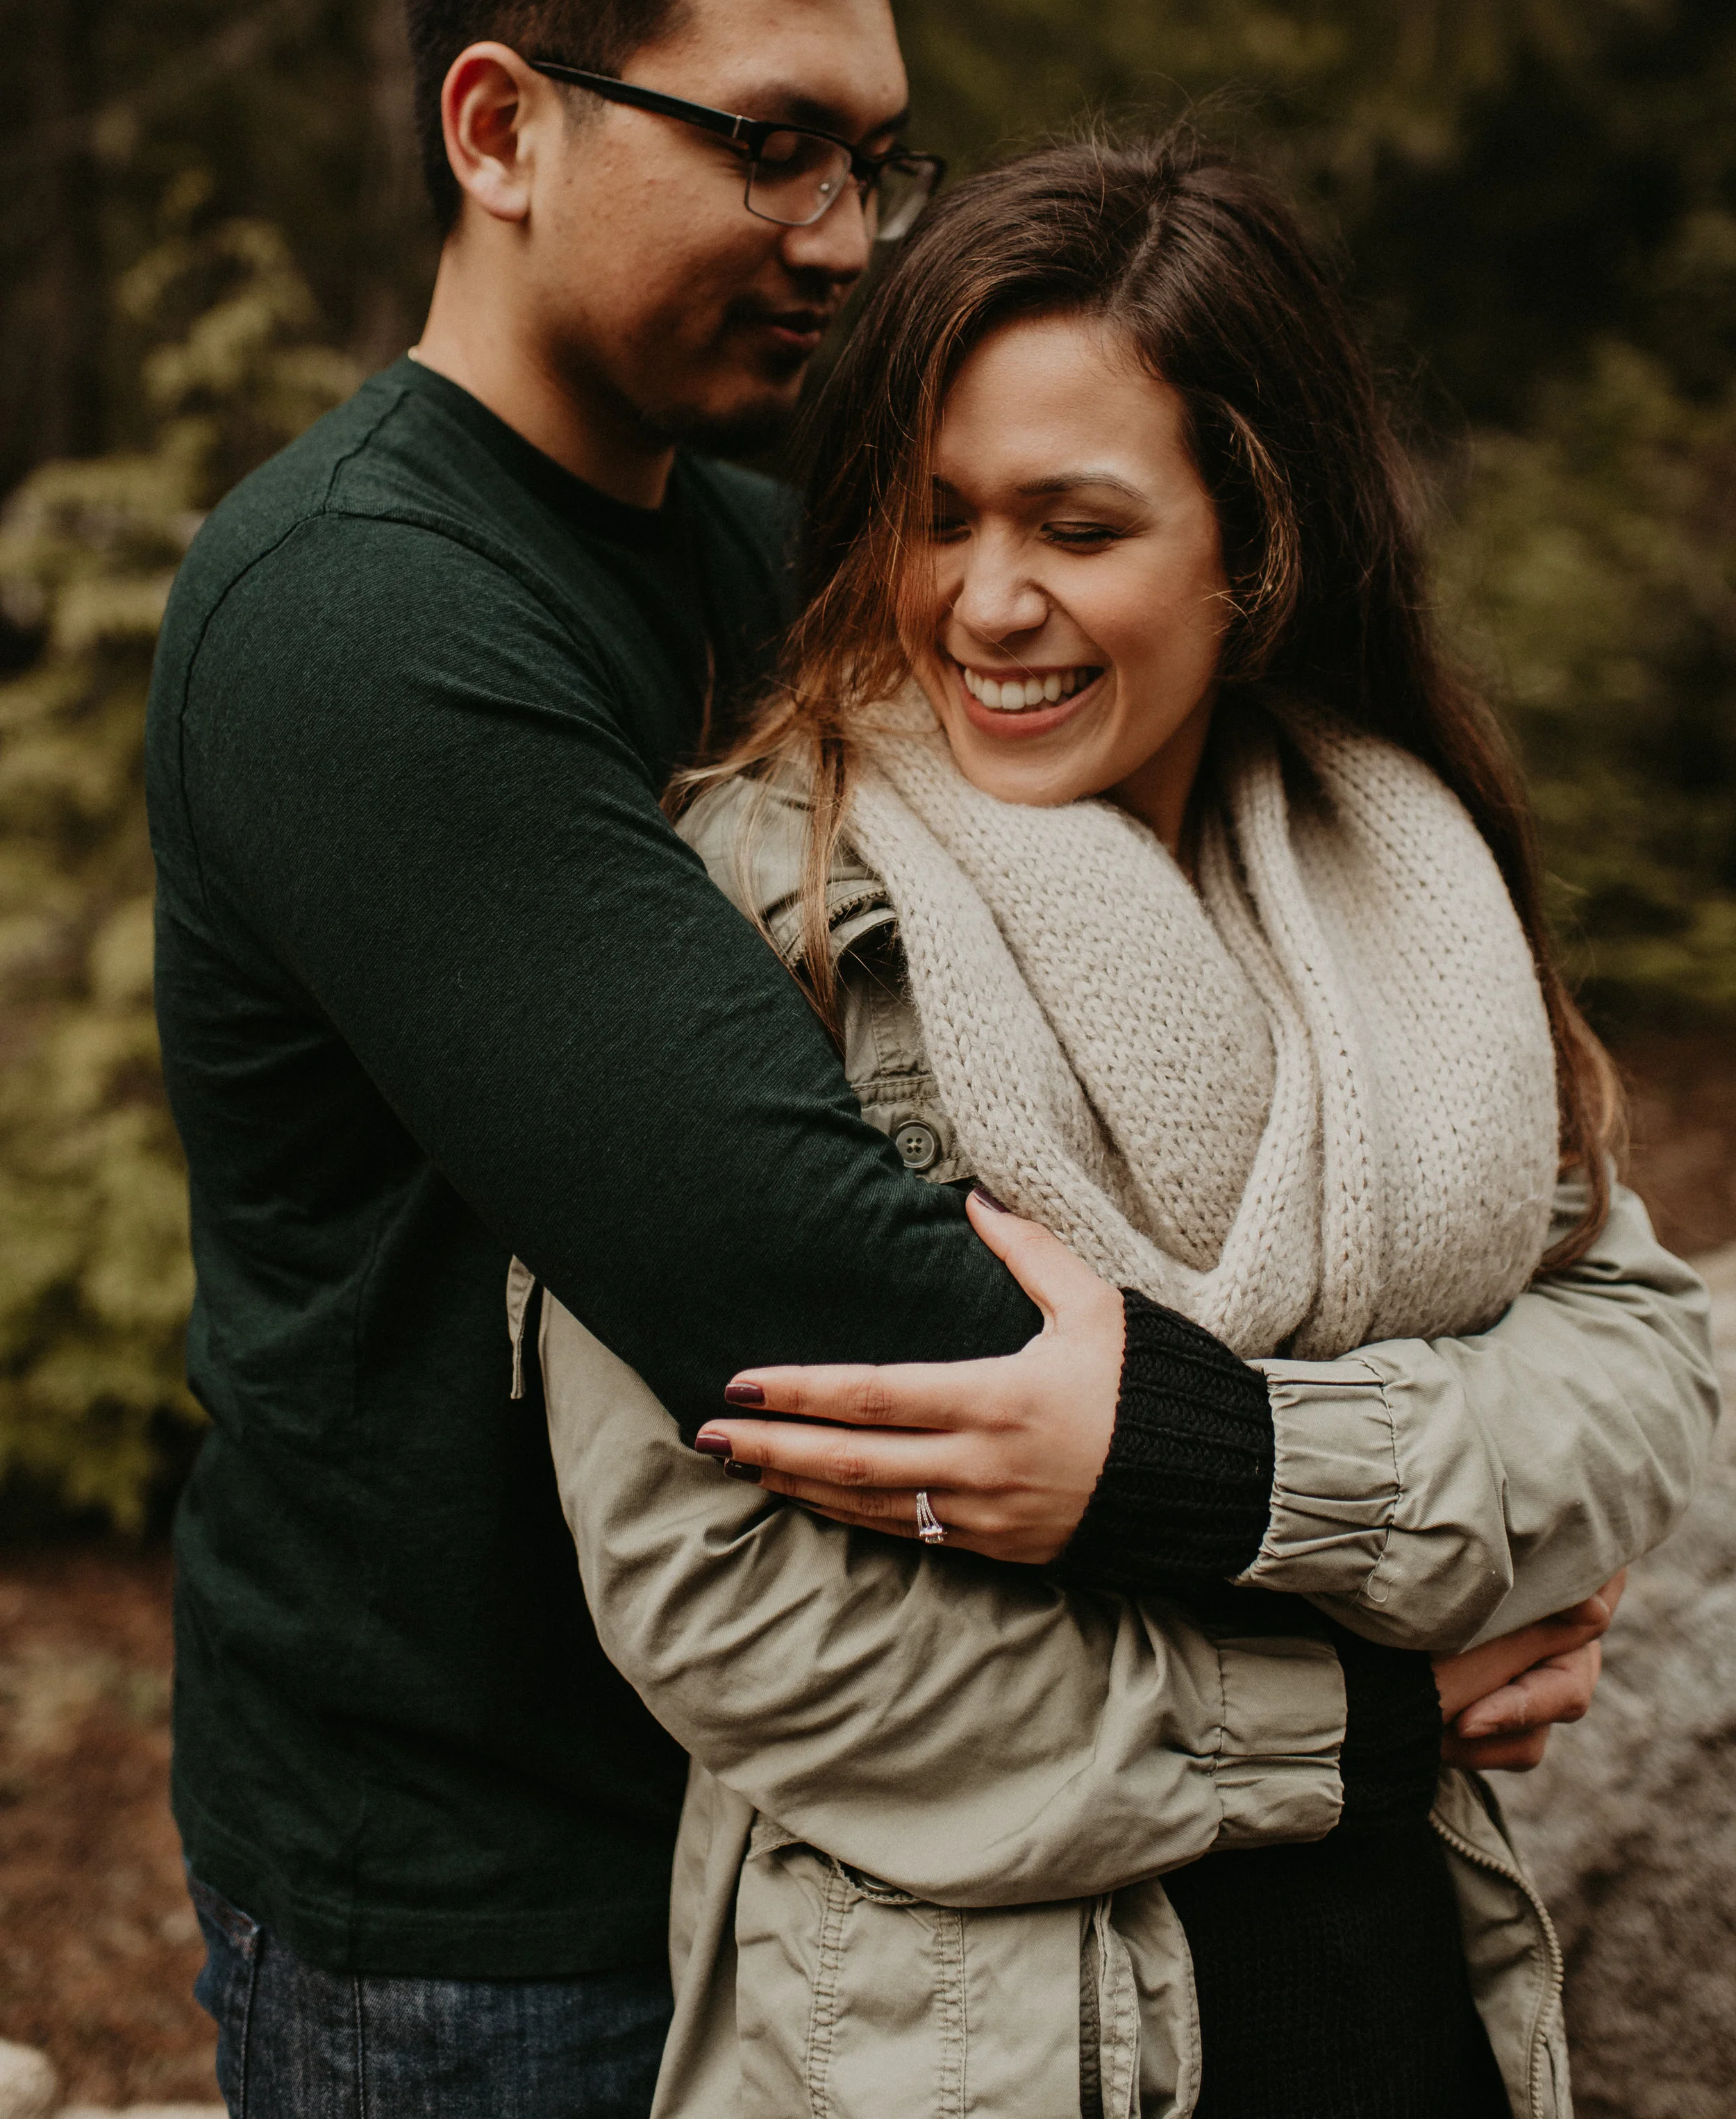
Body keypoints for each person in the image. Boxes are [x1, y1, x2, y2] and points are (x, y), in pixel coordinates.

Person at [144, 0, 1710, 2118]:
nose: (848, 230)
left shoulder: (758, 543)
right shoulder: (367, 621)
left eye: (877, 156)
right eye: (769, 144)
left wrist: (1488, 1436)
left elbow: (1601, 1308)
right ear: (497, 127)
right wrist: (1392, 1643)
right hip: (490, 1890)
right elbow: (830, 1289)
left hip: (939, 1871)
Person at [531, 132, 1720, 2119]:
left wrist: (1215, 1463)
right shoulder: (768, 910)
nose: (985, 603)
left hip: (1398, 2006)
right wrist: (1363, 1716)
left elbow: (1629, 1362)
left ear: (1251, 546)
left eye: (1075, 529)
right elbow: (725, 1610)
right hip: (959, 2054)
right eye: (934, 520)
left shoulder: (1386, 871)